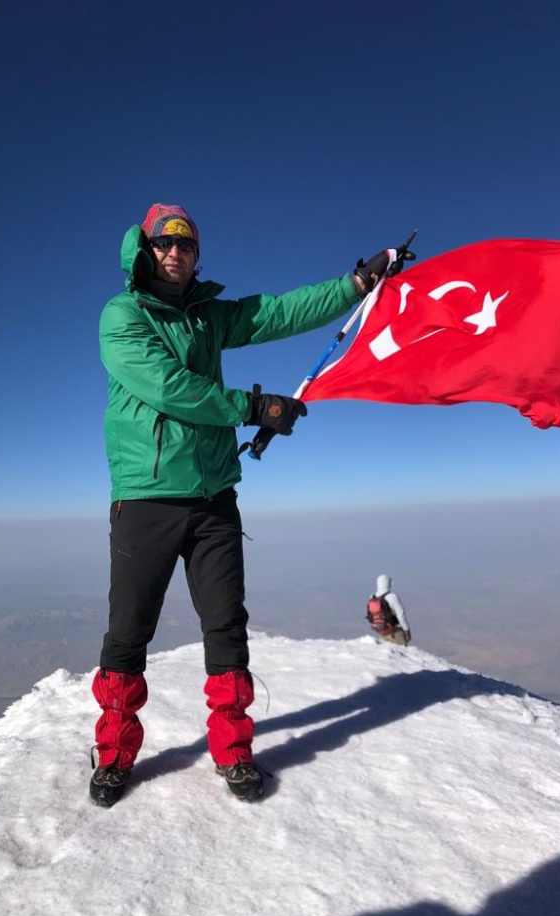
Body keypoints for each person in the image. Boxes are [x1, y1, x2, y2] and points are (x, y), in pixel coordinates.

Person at [90, 203, 410, 808]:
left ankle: (233, 749)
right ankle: (113, 752)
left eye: (187, 246)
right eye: (165, 245)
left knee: (226, 628)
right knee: (128, 634)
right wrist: (253, 408)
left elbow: (279, 312)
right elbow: (167, 386)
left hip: (214, 500)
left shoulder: (210, 317)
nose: (176, 254)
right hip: (147, 500)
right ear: (145, 251)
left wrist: (358, 283)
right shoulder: (122, 315)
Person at [367, 574, 411, 646]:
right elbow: (401, 615)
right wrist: (406, 630)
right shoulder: (392, 596)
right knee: (401, 656)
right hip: (395, 633)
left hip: (382, 632)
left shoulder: (372, 597)